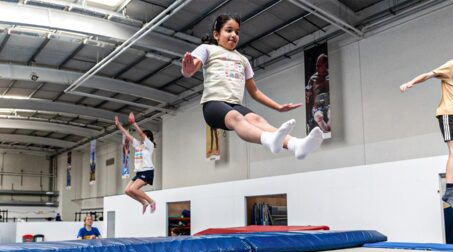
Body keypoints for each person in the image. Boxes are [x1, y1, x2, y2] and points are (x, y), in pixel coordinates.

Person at [181, 14, 324, 160]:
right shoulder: (207, 49)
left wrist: (278, 107)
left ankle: (295, 145)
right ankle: (269, 140)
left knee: (257, 120)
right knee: (236, 117)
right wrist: (188, 69)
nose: (233, 35)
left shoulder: (243, 60)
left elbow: (254, 91)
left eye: (237, 32)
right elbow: (190, 70)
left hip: (234, 105)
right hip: (213, 104)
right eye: (229, 30)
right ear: (216, 34)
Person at [400, 37, 453, 214]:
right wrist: (410, 83)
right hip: (448, 113)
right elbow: (429, 74)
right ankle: (449, 191)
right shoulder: (452, 65)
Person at [115, 112, 157, 214]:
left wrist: (134, 123)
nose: (141, 138)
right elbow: (127, 135)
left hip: (147, 171)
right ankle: (144, 203)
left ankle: (152, 201)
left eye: (144, 137)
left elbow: (141, 134)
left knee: (134, 188)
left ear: (149, 139)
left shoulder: (149, 146)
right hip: (139, 172)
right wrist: (119, 126)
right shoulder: (138, 145)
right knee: (127, 191)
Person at [305, 54, 330, 133]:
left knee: (332, 115)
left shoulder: (331, 75)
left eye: (319, 65)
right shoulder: (313, 78)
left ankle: (328, 130)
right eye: (316, 65)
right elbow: (307, 96)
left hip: (330, 106)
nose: (317, 68)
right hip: (317, 108)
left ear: (325, 65)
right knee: (318, 116)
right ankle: (326, 130)